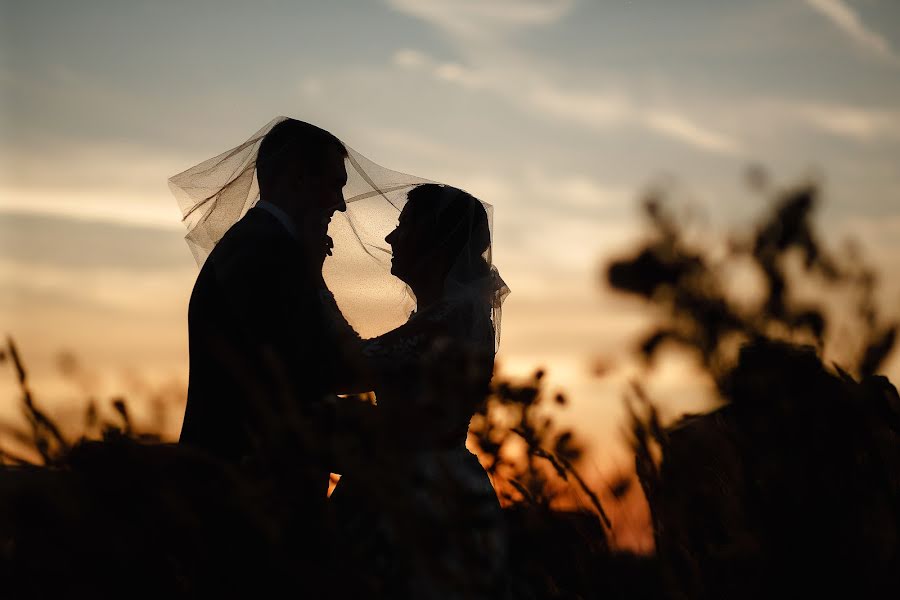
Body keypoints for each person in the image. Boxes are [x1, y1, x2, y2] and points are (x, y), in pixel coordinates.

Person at [330, 184, 510, 599]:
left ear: (437, 240)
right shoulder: (445, 316)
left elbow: (353, 368)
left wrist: (316, 292)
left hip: (423, 499)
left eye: (404, 225)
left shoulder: (456, 320)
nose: (391, 238)